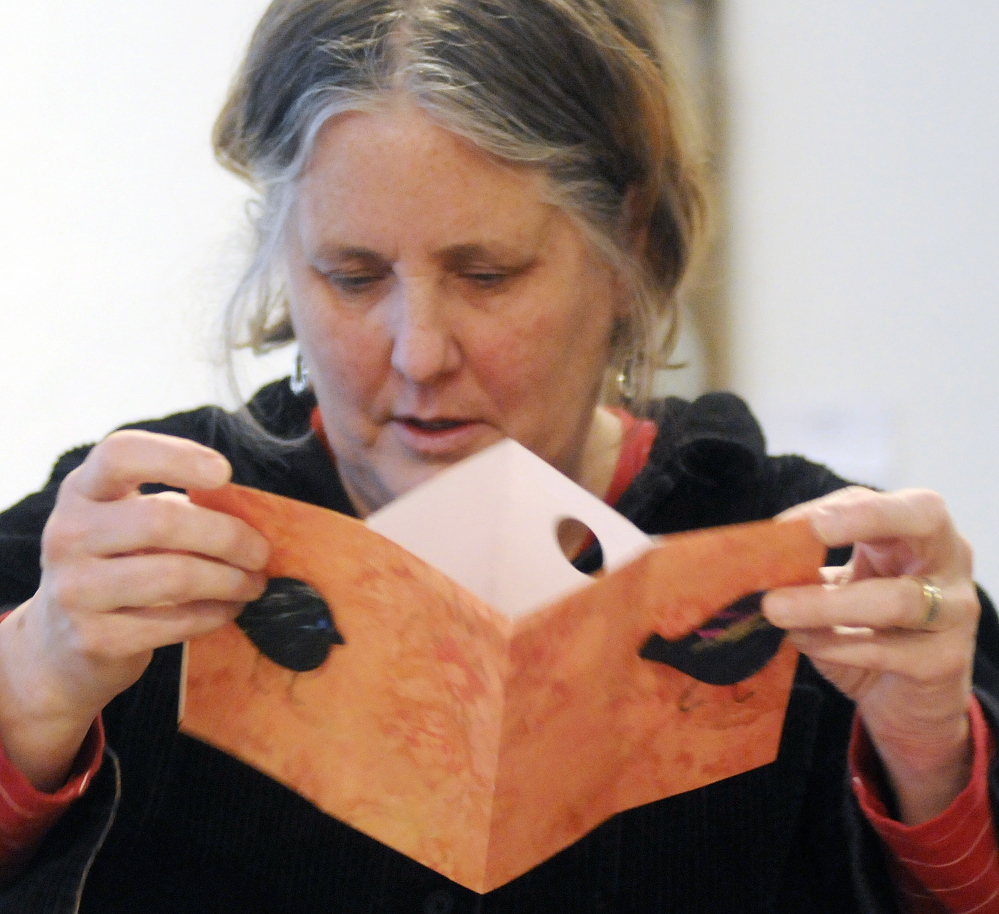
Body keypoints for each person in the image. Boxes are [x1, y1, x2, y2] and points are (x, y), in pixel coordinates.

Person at [0, 1, 996, 911]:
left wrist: (934, 761)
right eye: (351, 275)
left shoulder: (809, 566)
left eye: (488, 273)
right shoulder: (128, 541)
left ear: (629, 246)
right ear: (279, 255)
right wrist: (35, 685)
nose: (418, 349)